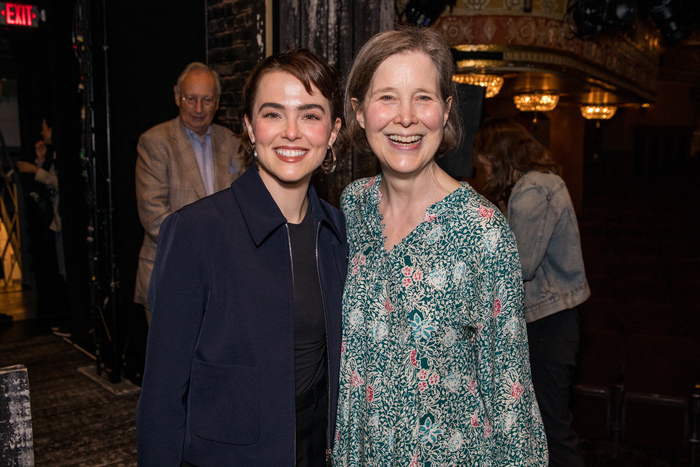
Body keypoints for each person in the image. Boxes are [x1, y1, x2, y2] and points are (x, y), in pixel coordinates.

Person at [333, 27, 547, 466]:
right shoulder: (352, 207)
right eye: (387, 97)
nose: (406, 117)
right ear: (359, 112)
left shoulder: (484, 232)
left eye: (424, 98)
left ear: (447, 111)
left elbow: (510, 390)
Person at [136, 48, 347, 467]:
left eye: (310, 114)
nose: (291, 132)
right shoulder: (197, 232)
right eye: (272, 114)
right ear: (249, 128)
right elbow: (161, 397)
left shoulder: (338, 230)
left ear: (333, 131)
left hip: (317, 449)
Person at [473, 117, 591, 467]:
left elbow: (519, 265)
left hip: (547, 325)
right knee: (539, 428)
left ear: (502, 157)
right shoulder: (533, 186)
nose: (485, 170)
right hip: (547, 322)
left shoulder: (535, 188)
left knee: (551, 430)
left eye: (487, 163)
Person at [134, 62, 242, 324]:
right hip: (170, 274)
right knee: (172, 363)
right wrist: (210, 250)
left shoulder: (232, 142)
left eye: (206, 100)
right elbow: (154, 217)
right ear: (176, 96)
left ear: (217, 103)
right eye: (190, 98)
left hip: (224, 281)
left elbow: (243, 204)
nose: (198, 108)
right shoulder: (155, 142)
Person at [17, 117, 68, 332]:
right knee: (60, 272)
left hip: (63, 222)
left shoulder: (62, 153)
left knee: (66, 272)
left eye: (45, 127)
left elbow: (59, 182)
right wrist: (39, 161)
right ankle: (65, 318)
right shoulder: (51, 154)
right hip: (55, 223)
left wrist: (34, 170)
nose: (42, 132)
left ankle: (72, 321)